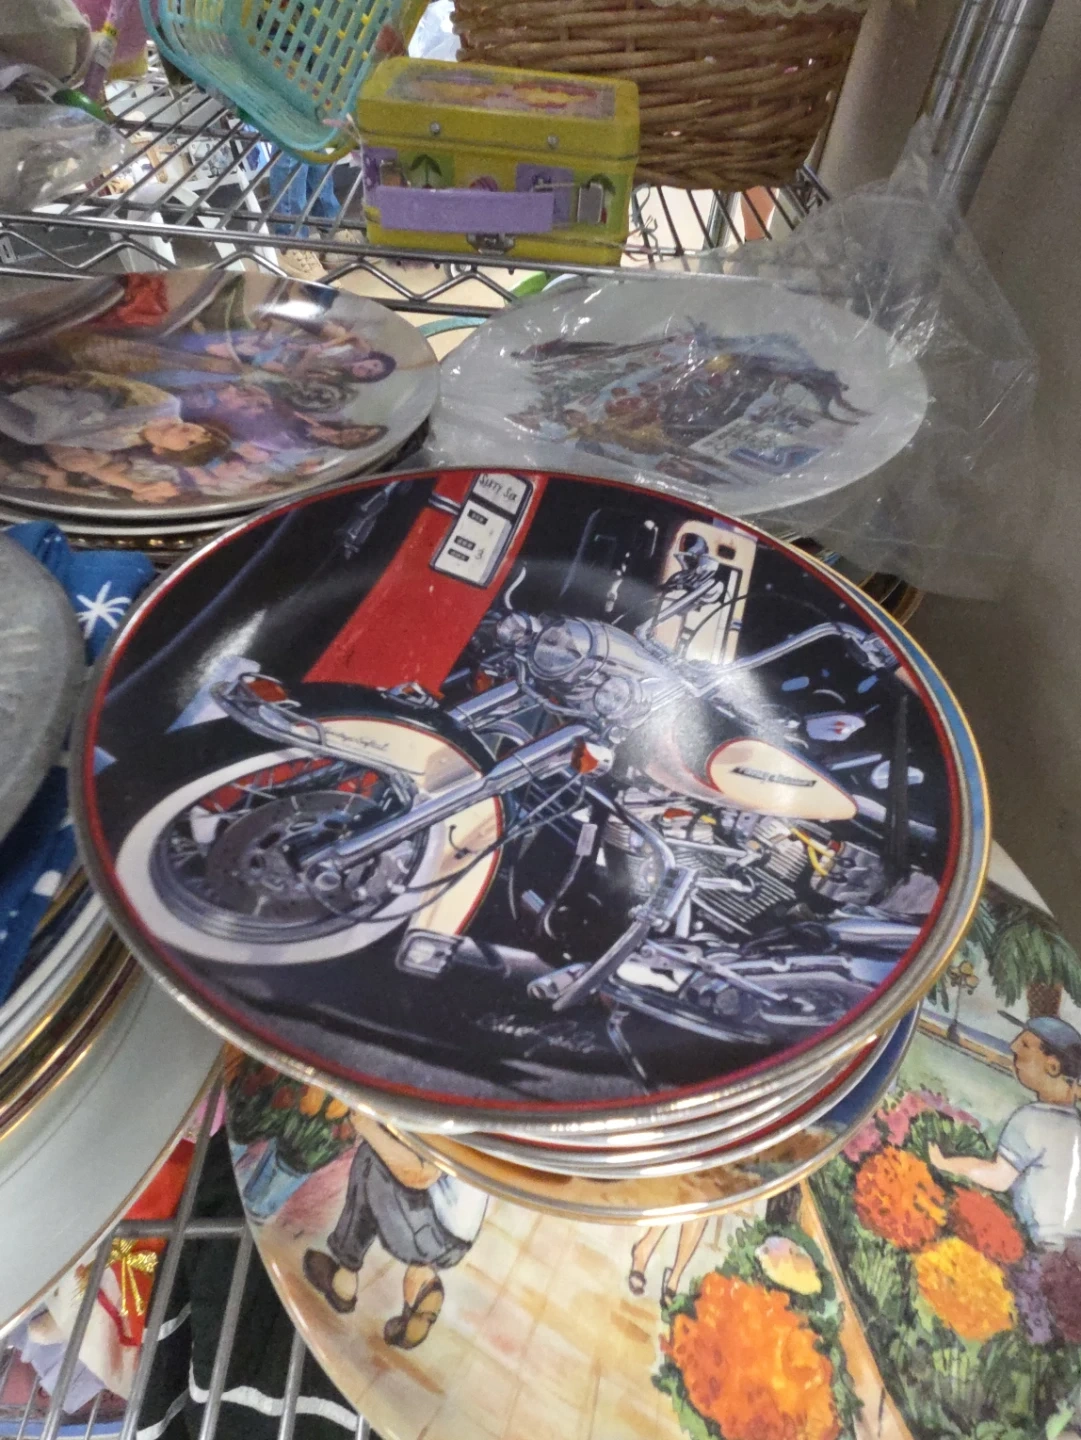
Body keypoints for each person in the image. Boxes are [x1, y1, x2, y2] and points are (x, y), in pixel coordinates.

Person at [303, 1118, 487, 1350]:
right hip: (457, 1242)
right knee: (385, 1173)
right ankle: (421, 1280)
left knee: (373, 1158)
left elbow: (420, 1174)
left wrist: (365, 1124)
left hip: (430, 1232)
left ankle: (345, 1278)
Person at [929, 1016, 1081, 1250]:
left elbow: (998, 1178)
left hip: (1043, 1248)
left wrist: (945, 1163)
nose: (1013, 1046)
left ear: (1052, 1066)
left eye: (1025, 1045)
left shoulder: (1032, 1119)